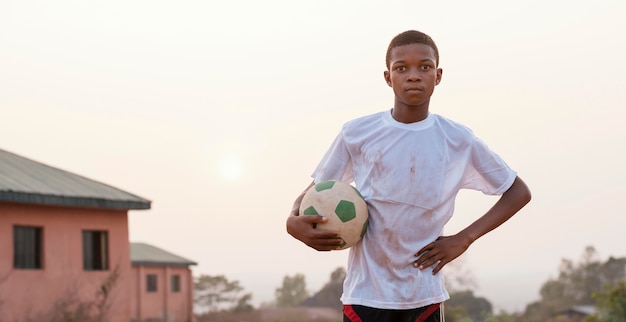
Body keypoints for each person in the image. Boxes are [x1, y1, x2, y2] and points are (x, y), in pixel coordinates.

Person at [286, 30, 531, 322]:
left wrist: (464, 239)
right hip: (365, 295)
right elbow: (315, 191)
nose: (413, 76)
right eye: (401, 68)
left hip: (422, 295)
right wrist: (292, 220)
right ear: (388, 77)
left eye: (424, 67)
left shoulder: (457, 139)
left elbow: (518, 191)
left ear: (438, 75)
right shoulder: (357, 133)